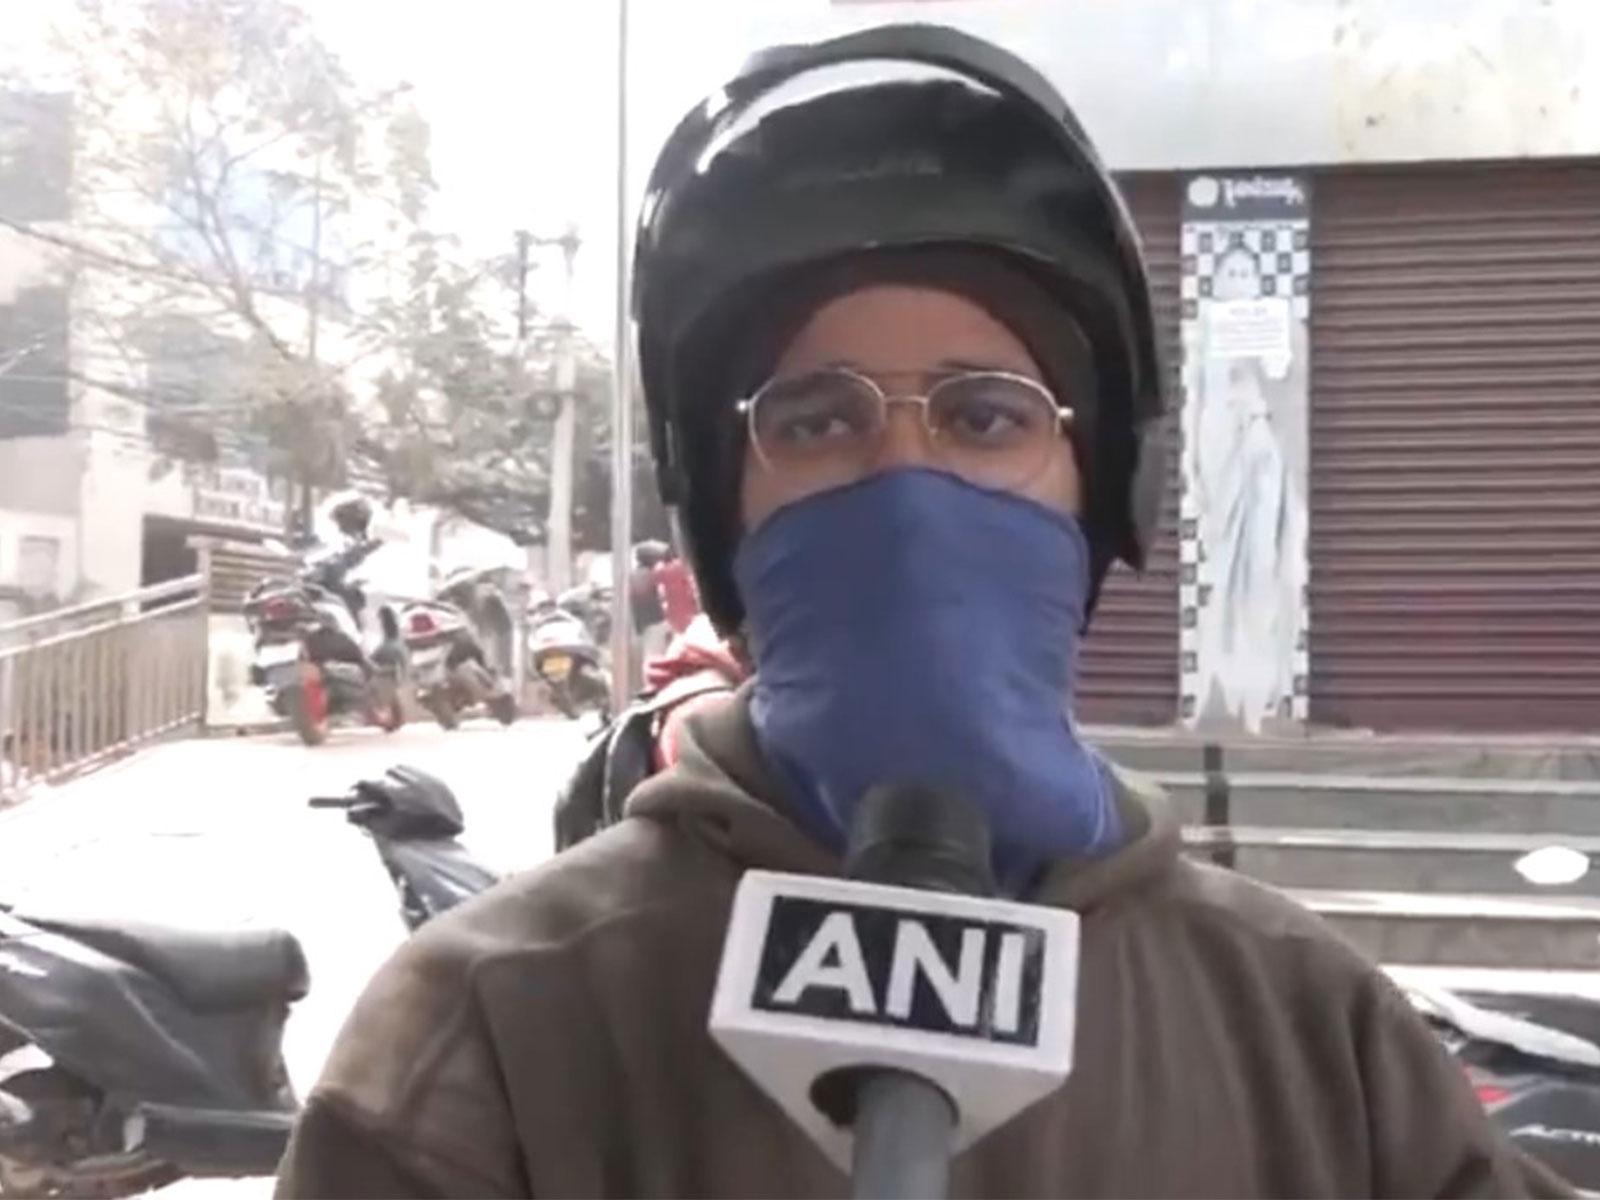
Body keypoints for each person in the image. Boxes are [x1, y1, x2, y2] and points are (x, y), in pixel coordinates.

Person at [274, 25, 1572, 1199]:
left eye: (988, 415)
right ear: (724, 511)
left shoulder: (1315, 1035)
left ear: (1100, 487)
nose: (906, 484)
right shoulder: (487, 1034)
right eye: (820, 418)